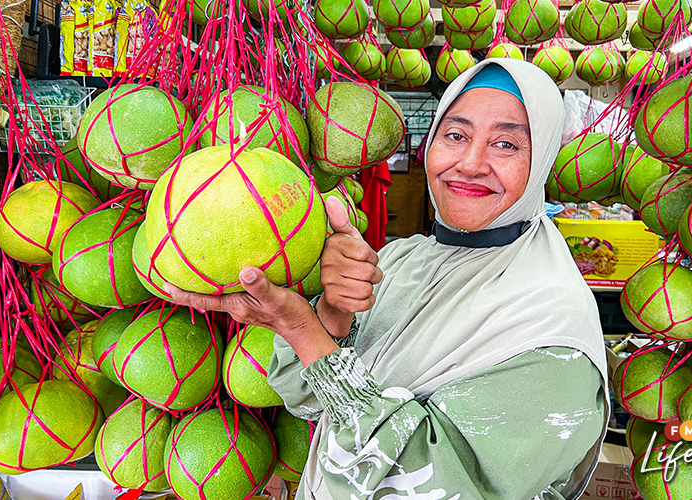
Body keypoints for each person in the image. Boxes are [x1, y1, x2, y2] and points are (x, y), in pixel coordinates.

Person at [166, 58, 609, 500]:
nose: (470, 163)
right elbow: (309, 402)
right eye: (455, 135)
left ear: (545, 158)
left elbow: (418, 482)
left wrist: (301, 329)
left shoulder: (553, 323)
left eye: (507, 145)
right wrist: (331, 313)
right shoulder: (399, 260)